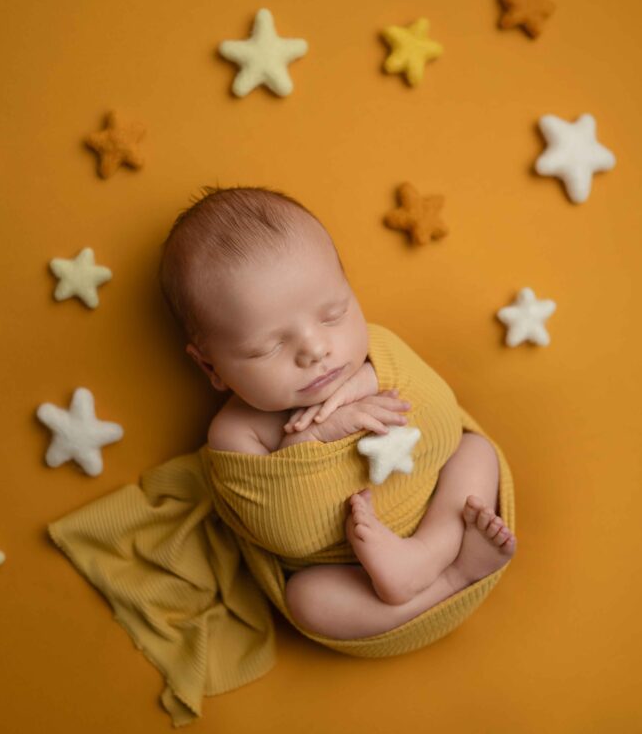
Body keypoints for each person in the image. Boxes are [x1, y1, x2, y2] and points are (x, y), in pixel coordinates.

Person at [158, 185, 516, 640]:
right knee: (308, 600)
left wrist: (372, 380)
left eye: (333, 314)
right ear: (211, 366)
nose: (316, 350)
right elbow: (292, 533)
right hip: (353, 573)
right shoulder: (236, 433)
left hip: (437, 511)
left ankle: (429, 553)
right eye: (269, 346)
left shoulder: (377, 356)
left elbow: (443, 423)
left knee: (475, 451)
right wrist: (315, 436)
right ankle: (454, 577)